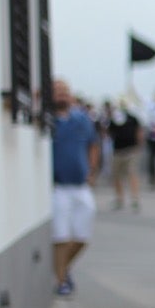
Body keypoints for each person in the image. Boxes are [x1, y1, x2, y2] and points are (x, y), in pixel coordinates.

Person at [51, 79, 100, 296]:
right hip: (58, 187)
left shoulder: (81, 119)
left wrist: (92, 170)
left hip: (81, 185)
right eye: (57, 91)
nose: (62, 95)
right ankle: (61, 281)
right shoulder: (48, 120)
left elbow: (93, 143)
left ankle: (62, 268)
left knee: (82, 236)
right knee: (61, 236)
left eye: (65, 91)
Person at [107, 98, 145, 212]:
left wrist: (139, 145)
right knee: (117, 176)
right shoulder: (115, 118)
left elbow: (139, 131)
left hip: (130, 150)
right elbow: (109, 132)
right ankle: (119, 198)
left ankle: (134, 198)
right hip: (118, 151)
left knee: (132, 173)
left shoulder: (133, 118)